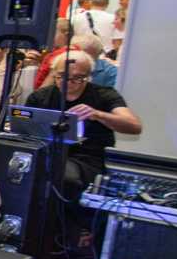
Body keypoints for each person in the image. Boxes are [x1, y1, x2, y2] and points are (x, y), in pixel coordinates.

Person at [24, 50, 143, 194]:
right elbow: (25, 128)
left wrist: (98, 114)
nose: (68, 82)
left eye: (77, 78)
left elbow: (134, 126)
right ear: (54, 73)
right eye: (62, 76)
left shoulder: (104, 95)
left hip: (86, 159)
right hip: (46, 153)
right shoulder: (40, 97)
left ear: (89, 77)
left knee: (64, 177)